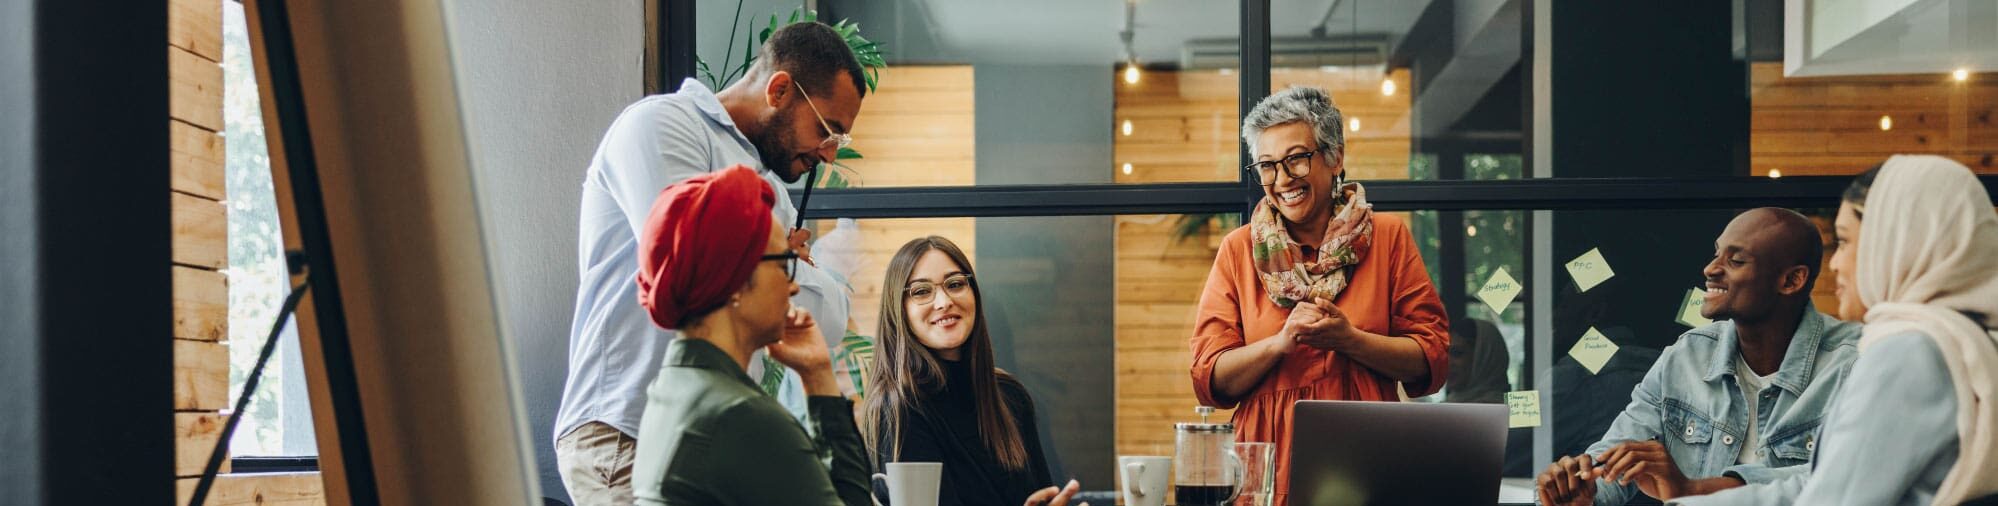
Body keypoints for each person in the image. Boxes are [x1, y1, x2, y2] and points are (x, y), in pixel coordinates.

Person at [552, 21, 865, 504]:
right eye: (828, 130)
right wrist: (791, 260)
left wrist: (781, 262)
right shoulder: (661, 126)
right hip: (627, 428)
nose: (826, 154)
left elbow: (824, 322)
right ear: (780, 89)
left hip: (715, 435)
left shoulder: (772, 192)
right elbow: (698, 260)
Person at [1671, 155, 1998, 505]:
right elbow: (1823, 483)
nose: (1835, 264)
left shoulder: (1909, 353)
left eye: (1843, 242)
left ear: (1892, 245)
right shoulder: (1970, 343)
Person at [1188, 86, 1450, 506]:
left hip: (1369, 465)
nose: (1282, 178)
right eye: (1268, 165)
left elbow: (1431, 359)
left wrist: (1349, 340)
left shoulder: (1389, 238)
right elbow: (1208, 379)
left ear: (1335, 157)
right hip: (1262, 476)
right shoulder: (1238, 250)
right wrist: (1279, 344)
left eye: (1296, 158)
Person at [1534, 208, 1862, 505]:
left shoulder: (1854, 364)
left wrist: (1694, 490)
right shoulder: (1687, 355)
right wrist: (1582, 491)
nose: (1710, 269)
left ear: (1791, 280)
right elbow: (1618, 452)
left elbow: (1845, 481)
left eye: (1736, 261)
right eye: (1716, 253)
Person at [859, 236, 1078, 506]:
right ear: (899, 311)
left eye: (955, 284)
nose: (944, 301)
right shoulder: (899, 407)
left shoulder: (1011, 396)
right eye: (921, 291)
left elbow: (1046, 496)